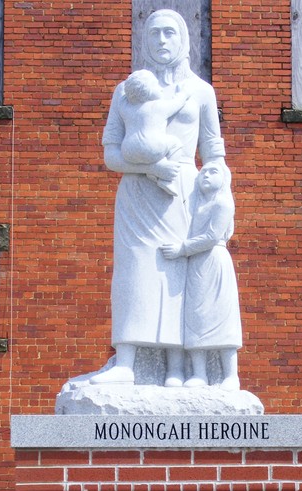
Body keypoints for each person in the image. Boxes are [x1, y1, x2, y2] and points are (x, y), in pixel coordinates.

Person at [91, 9, 225, 387]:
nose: (162, 41)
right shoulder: (126, 90)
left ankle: (177, 368)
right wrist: (149, 170)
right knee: (135, 273)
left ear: (183, 39)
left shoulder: (200, 91)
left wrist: (220, 201)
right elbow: (110, 152)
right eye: (154, 35)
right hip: (138, 192)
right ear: (144, 41)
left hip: (182, 191)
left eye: (169, 33)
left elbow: (214, 152)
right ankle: (126, 363)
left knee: (176, 274)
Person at [160, 161, 242, 390]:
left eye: (212, 171)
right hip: (196, 265)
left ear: (224, 178)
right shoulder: (195, 204)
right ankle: (199, 374)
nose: (206, 174)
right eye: (203, 171)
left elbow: (211, 236)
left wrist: (181, 249)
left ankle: (230, 376)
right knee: (196, 315)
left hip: (214, 260)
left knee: (221, 315)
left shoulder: (223, 202)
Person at [120, 69, 191, 196]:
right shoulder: (158, 107)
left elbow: (123, 100)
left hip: (128, 150)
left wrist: (130, 92)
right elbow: (177, 103)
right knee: (175, 143)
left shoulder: (125, 107)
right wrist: (184, 93)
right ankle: (167, 178)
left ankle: (152, 173)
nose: (160, 88)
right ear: (147, 90)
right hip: (151, 147)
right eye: (156, 85)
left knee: (145, 156)